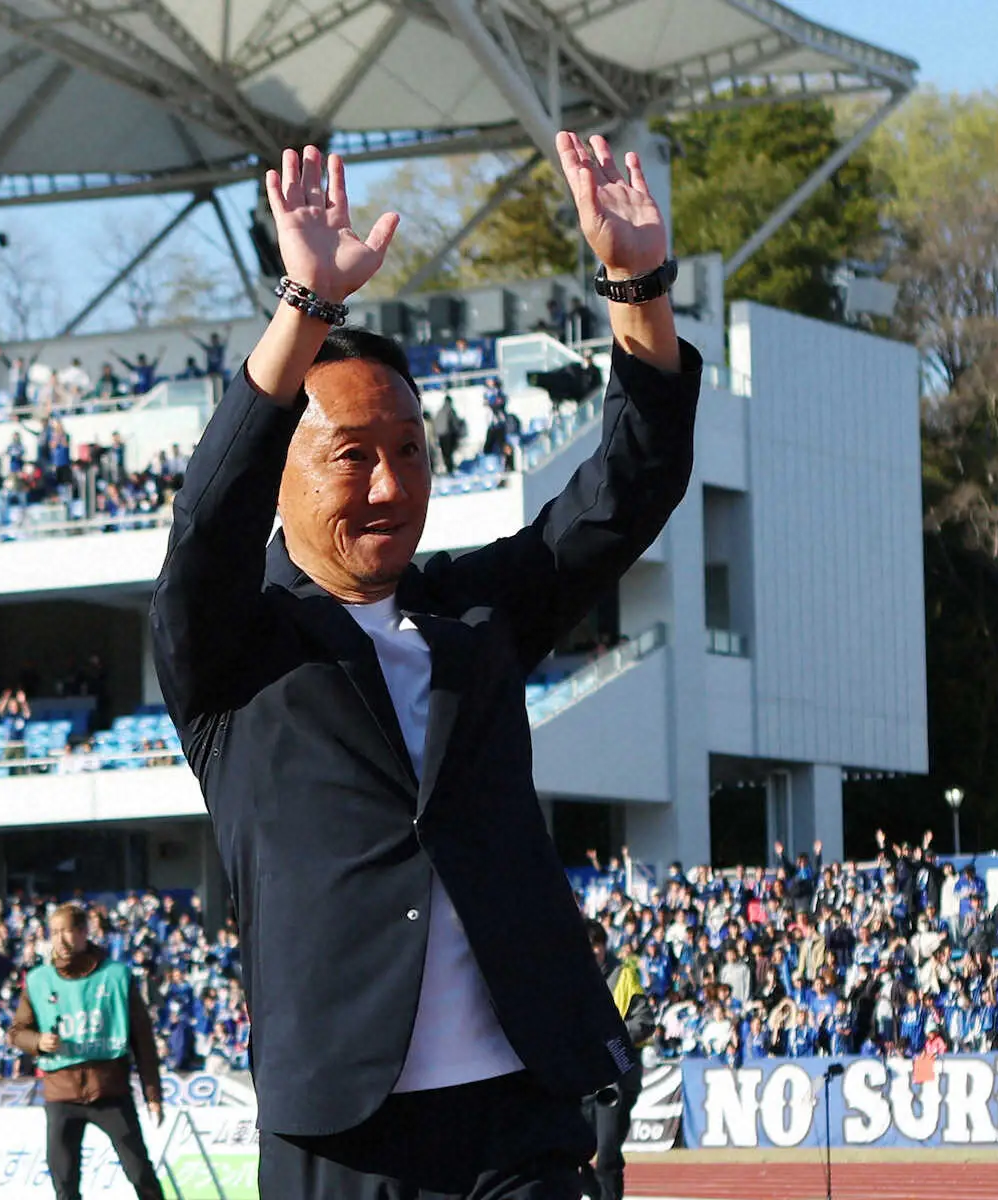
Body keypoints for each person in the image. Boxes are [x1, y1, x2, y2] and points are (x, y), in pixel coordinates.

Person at [151, 132, 697, 1199]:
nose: (390, 485)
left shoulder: (476, 615)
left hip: (522, 1116)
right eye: (352, 455)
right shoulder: (230, 652)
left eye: (409, 451)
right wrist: (304, 306)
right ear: (280, 473)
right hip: (342, 1133)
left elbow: (630, 486)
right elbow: (206, 525)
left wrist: (636, 286)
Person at [7, 903, 165, 1200]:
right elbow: (16, 1033)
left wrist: (153, 1094)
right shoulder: (38, 980)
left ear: (83, 933)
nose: (61, 940)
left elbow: (143, 1041)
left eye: (67, 932)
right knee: (64, 1184)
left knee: (140, 1173)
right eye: (54, 933)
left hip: (110, 1091)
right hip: (60, 1094)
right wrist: (38, 1041)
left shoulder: (116, 976)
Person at [582, 921, 655, 1200]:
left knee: (607, 1154)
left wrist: (613, 1037)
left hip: (616, 1072)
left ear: (604, 946)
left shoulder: (623, 975)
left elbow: (645, 1022)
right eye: (588, 946)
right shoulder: (570, 978)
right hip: (583, 1076)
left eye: (597, 946)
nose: (593, 952)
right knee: (571, 1151)